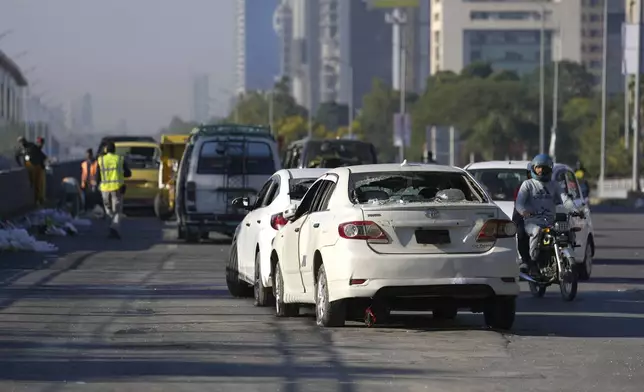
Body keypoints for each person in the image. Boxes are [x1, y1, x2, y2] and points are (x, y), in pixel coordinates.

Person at [515, 154, 583, 274]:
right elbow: (519, 203)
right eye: (538, 167)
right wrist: (524, 212)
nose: (541, 170)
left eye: (544, 168)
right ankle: (532, 261)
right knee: (536, 232)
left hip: (550, 222)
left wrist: (576, 210)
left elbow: (565, 200)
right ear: (533, 168)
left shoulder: (554, 185)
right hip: (532, 222)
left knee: (566, 233)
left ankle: (561, 259)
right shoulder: (528, 184)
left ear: (550, 169)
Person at [96, 142, 131, 239]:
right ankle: (114, 228)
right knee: (117, 211)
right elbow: (128, 173)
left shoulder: (101, 160)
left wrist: (97, 185)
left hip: (105, 189)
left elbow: (97, 176)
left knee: (108, 210)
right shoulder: (119, 159)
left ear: (106, 150)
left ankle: (111, 228)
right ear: (115, 150)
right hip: (117, 188)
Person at [14, 136, 48, 205]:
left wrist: (43, 161)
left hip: (37, 165)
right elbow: (17, 156)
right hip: (31, 166)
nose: (22, 143)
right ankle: (38, 199)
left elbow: (40, 153)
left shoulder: (31, 146)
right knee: (36, 184)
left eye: (22, 141)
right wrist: (20, 164)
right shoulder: (22, 149)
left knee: (39, 184)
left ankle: (40, 199)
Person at [512, 162, 533, 267]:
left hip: (545, 218)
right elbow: (519, 205)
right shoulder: (522, 187)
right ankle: (526, 260)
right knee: (521, 234)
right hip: (525, 218)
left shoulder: (549, 186)